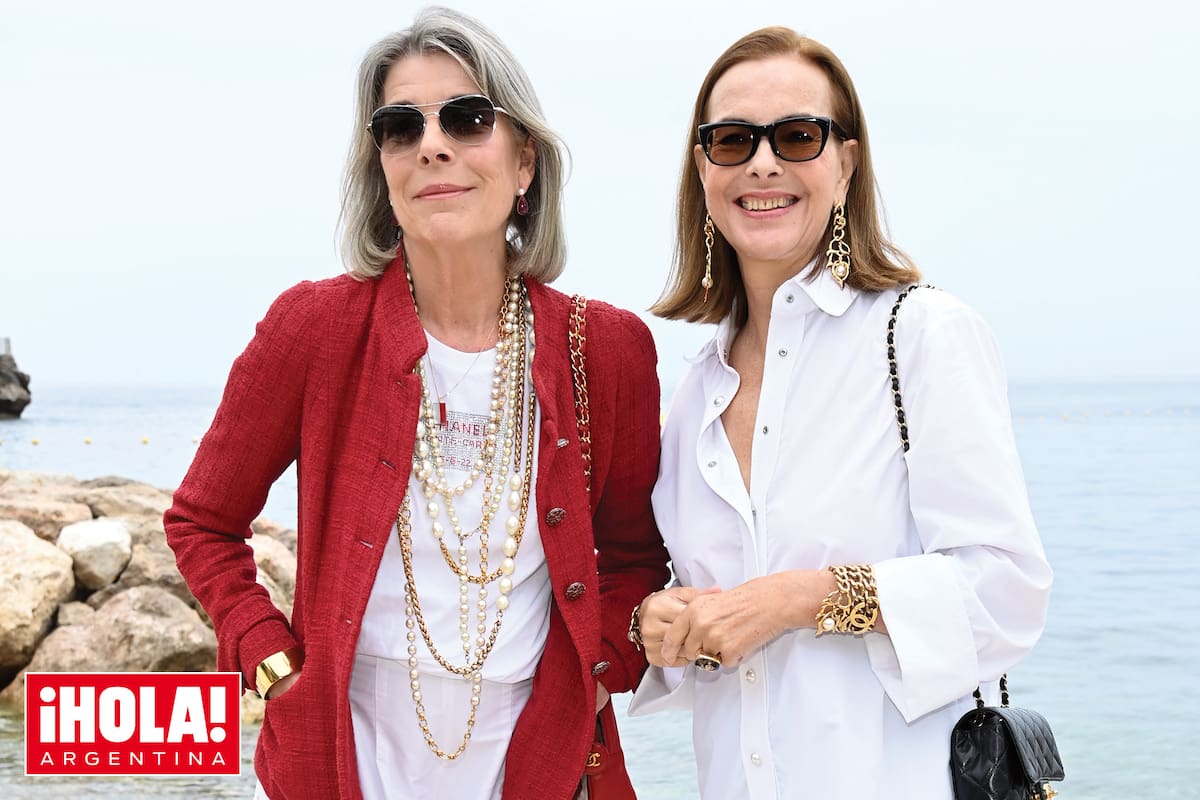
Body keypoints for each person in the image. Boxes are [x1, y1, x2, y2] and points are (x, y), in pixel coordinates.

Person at [164, 7, 668, 799]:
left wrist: (596, 676)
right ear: (383, 169)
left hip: (538, 765)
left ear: (524, 160)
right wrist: (271, 661)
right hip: (340, 762)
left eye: (467, 118)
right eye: (401, 126)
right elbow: (202, 520)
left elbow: (636, 559)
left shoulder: (605, 348)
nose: (433, 143)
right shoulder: (314, 327)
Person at [626, 26, 1053, 800]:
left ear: (845, 163)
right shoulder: (694, 391)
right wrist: (662, 621)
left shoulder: (922, 336)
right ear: (703, 168)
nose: (762, 162)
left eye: (797, 136)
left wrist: (803, 596)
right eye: (732, 140)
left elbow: (1008, 593)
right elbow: (709, 621)